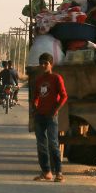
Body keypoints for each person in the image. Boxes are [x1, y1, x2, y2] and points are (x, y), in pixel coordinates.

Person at [31, 53, 68, 182]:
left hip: (51, 116)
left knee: (53, 143)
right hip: (40, 116)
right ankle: (46, 172)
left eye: (45, 63)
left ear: (51, 64)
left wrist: (55, 110)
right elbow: (35, 96)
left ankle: (59, 172)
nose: (42, 65)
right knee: (41, 144)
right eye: (41, 63)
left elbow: (64, 96)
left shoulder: (56, 78)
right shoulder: (39, 80)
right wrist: (35, 107)